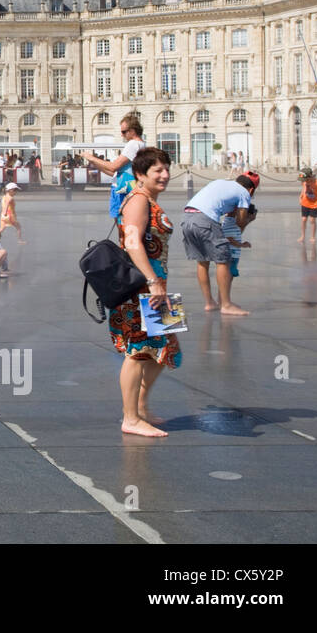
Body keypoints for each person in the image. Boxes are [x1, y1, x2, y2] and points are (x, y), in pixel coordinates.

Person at [110, 147, 179, 438]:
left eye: (166, 169)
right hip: (142, 288)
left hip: (157, 288)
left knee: (166, 348)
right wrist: (152, 281)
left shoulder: (148, 199)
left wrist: (158, 284)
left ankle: (140, 406)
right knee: (137, 352)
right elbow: (133, 242)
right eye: (157, 171)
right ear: (140, 174)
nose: (164, 175)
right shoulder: (138, 200)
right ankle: (131, 418)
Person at [182, 174, 256, 316]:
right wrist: (249, 219)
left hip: (187, 216)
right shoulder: (244, 193)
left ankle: (209, 302)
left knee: (202, 261)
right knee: (223, 260)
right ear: (251, 190)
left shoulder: (220, 181)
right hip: (205, 219)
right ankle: (226, 304)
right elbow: (240, 223)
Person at [75, 113, 147, 218]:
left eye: (123, 132)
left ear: (132, 131)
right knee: (127, 221)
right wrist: (95, 163)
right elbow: (114, 172)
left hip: (121, 188)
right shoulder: (142, 144)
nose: (122, 135)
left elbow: (113, 167)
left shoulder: (133, 144)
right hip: (129, 186)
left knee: (121, 221)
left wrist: (91, 158)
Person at [299, 168, 317, 244]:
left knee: (312, 220)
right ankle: (302, 235)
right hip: (305, 202)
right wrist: (301, 196)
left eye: (306, 179)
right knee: (304, 219)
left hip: (315, 204)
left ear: (310, 176)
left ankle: (312, 236)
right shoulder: (304, 181)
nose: (305, 181)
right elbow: (304, 189)